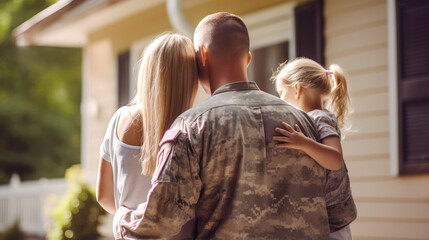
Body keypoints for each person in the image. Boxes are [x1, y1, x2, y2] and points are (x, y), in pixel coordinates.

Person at [113, 12, 331, 239]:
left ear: (203, 56)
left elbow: (161, 221)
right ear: (248, 58)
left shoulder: (191, 127)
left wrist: (122, 218)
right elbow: (336, 209)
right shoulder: (304, 121)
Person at [96, 33, 198, 238]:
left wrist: (139, 224)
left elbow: (104, 196)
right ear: (190, 80)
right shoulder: (194, 130)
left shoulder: (119, 120)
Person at [271, 57, 357, 239]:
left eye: (281, 93)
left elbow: (334, 159)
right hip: (325, 219)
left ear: (297, 88)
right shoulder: (313, 118)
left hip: (335, 222)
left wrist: (302, 142)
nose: (280, 100)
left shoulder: (320, 118)